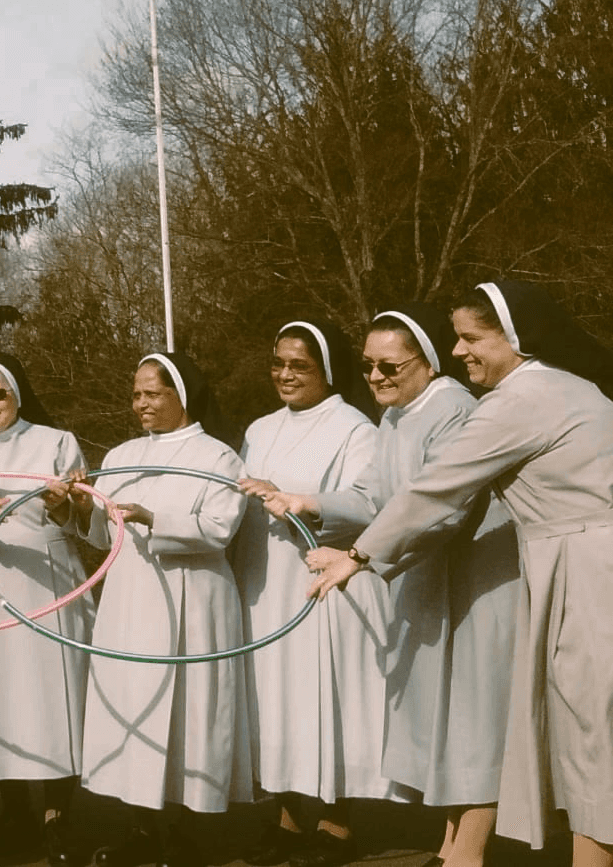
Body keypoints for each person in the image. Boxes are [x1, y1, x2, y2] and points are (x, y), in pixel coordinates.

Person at [307, 281, 613, 867]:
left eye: (473, 338)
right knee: (587, 732)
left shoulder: (520, 400)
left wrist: (359, 557)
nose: (460, 350)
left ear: (515, 339)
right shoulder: (559, 387)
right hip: (572, 559)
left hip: (588, 567)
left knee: (592, 733)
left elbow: (438, 488)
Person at [262, 305, 520, 867]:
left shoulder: (454, 409)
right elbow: (376, 500)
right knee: (443, 717)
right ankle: (451, 843)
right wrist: (310, 501)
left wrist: (359, 558)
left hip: (474, 582)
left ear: (425, 363)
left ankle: (468, 852)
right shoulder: (396, 415)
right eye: (368, 366)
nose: (376, 377)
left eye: (390, 367)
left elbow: (444, 511)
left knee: (474, 718)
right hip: (428, 580)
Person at [77, 353, 251, 867]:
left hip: (192, 597)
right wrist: (67, 506)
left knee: (190, 713)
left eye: (152, 393)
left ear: (182, 395)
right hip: (131, 599)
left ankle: (188, 835)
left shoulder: (219, 457)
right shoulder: (120, 454)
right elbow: (100, 533)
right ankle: (142, 827)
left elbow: (221, 527)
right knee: (138, 706)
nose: (141, 404)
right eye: (136, 395)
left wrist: (156, 517)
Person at [234, 319, 392, 867]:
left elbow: (370, 503)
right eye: (278, 362)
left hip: (319, 580)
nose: (284, 373)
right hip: (261, 581)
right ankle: (286, 819)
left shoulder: (356, 428)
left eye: (298, 365)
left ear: (326, 368)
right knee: (272, 702)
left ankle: (336, 824)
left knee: (322, 699)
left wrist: (304, 500)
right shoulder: (257, 428)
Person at [0, 353, 92, 867]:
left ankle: (58, 817)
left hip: (48, 582)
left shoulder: (55, 441)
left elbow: (85, 521)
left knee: (53, 698)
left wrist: (60, 505)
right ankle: (15, 814)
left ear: (16, 394)